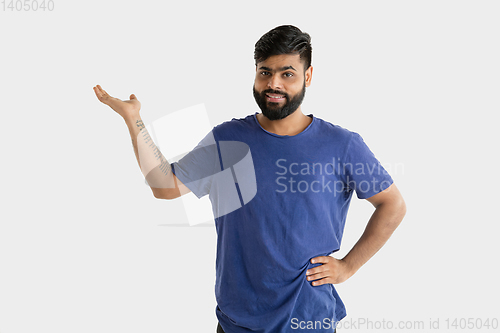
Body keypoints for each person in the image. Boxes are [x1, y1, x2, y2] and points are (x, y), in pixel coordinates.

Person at [93, 25, 406, 333]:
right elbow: (165, 186)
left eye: (287, 74)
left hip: (308, 322)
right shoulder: (228, 139)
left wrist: (348, 266)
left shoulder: (342, 145)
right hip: (236, 324)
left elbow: (392, 204)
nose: (274, 83)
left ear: (307, 76)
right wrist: (132, 118)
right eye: (265, 72)